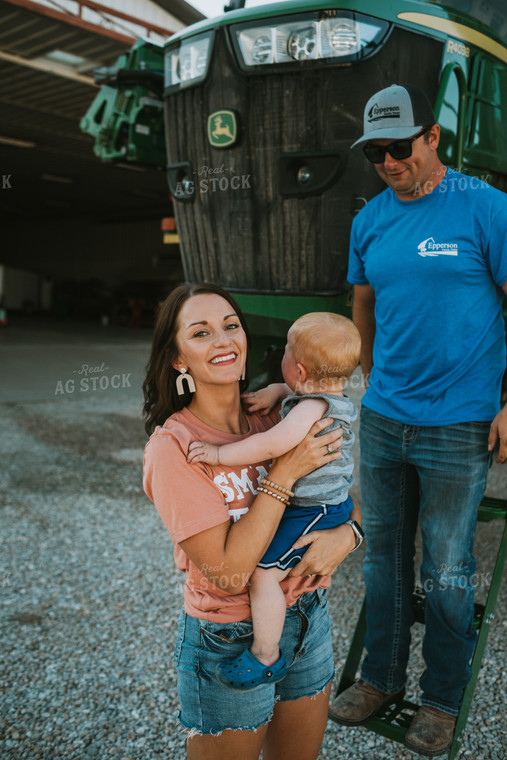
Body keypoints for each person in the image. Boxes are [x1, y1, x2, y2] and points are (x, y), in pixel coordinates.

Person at [328, 83, 507, 757]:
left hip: (458, 422)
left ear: (432, 136)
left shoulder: (484, 208)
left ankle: (437, 699)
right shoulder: (370, 218)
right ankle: (378, 679)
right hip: (383, 419)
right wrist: (368, 373)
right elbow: (363, 300)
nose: (387, 162)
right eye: (374, 153)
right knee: (380, 558)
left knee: (447, 568)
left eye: (398, 148)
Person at [142, 282, 362, 760]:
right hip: (228, 637)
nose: (223, 341)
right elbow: (230, 574)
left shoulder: (277, 416)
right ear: (178, 359)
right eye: (200, 333)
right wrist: (284, 471)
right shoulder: (174, 448)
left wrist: (349, 535)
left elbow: (341, 495)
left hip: (308, 618)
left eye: (231, 326)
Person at [186, 312, 363, 690]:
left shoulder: (310, 410)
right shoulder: (323, 398)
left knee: (264, 573)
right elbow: (298, 393)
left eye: (284, 350)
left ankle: (266, 654)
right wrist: (277, 391)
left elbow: (273, 444)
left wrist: (218, 455)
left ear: (298, 369)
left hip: (314, 510)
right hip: (328, 505)